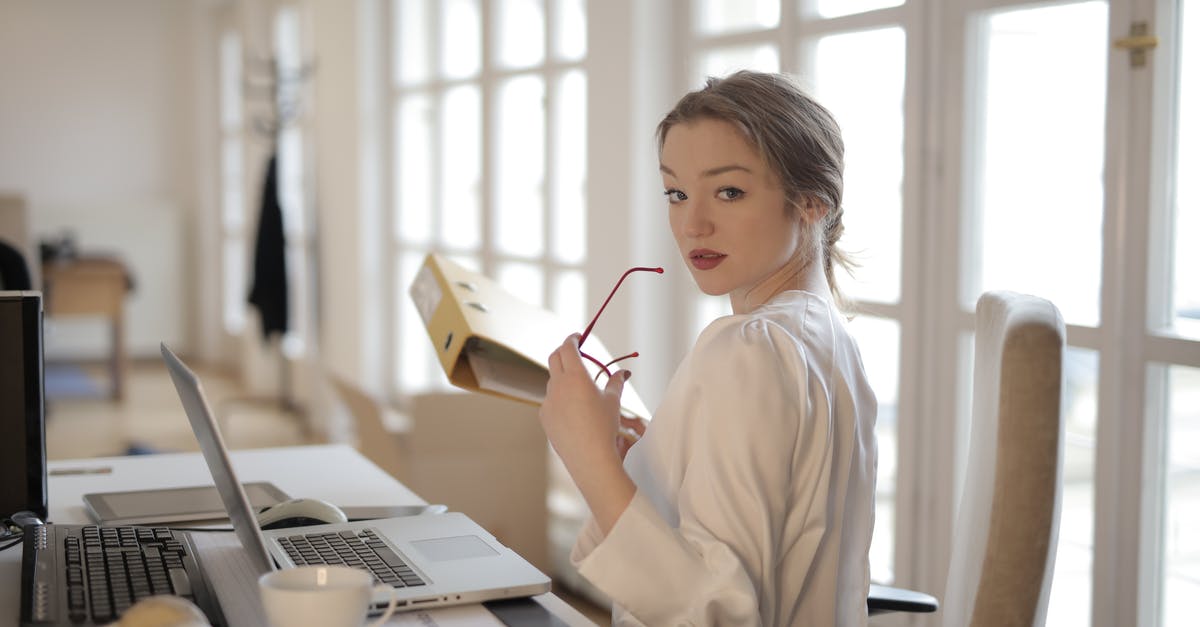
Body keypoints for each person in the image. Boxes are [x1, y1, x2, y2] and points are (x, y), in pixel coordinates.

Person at [538, 70, 878, 626]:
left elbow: (715, 614)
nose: (692, 224)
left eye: (730, 191)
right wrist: (654, 468)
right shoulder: (834, 344)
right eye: (676, 193)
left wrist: (587, 456)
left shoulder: (748, 348)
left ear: (813, 200)